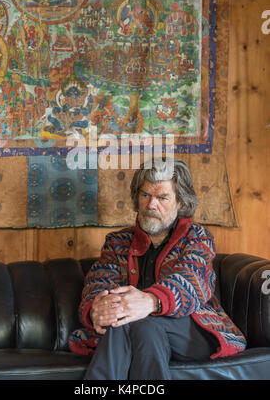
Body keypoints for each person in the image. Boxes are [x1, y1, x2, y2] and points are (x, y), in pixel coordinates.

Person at [68, 158, 246, 380]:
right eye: (145, 195)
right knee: (126, 322)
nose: (151, 204)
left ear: (180, 202)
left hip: (193, 330)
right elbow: (99, 280)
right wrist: (97, 307)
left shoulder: (196, 238)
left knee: (134, 321)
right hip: (139, 331)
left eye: (162, 197)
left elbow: (193, 281)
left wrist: (151, 301)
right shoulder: (118, 241)